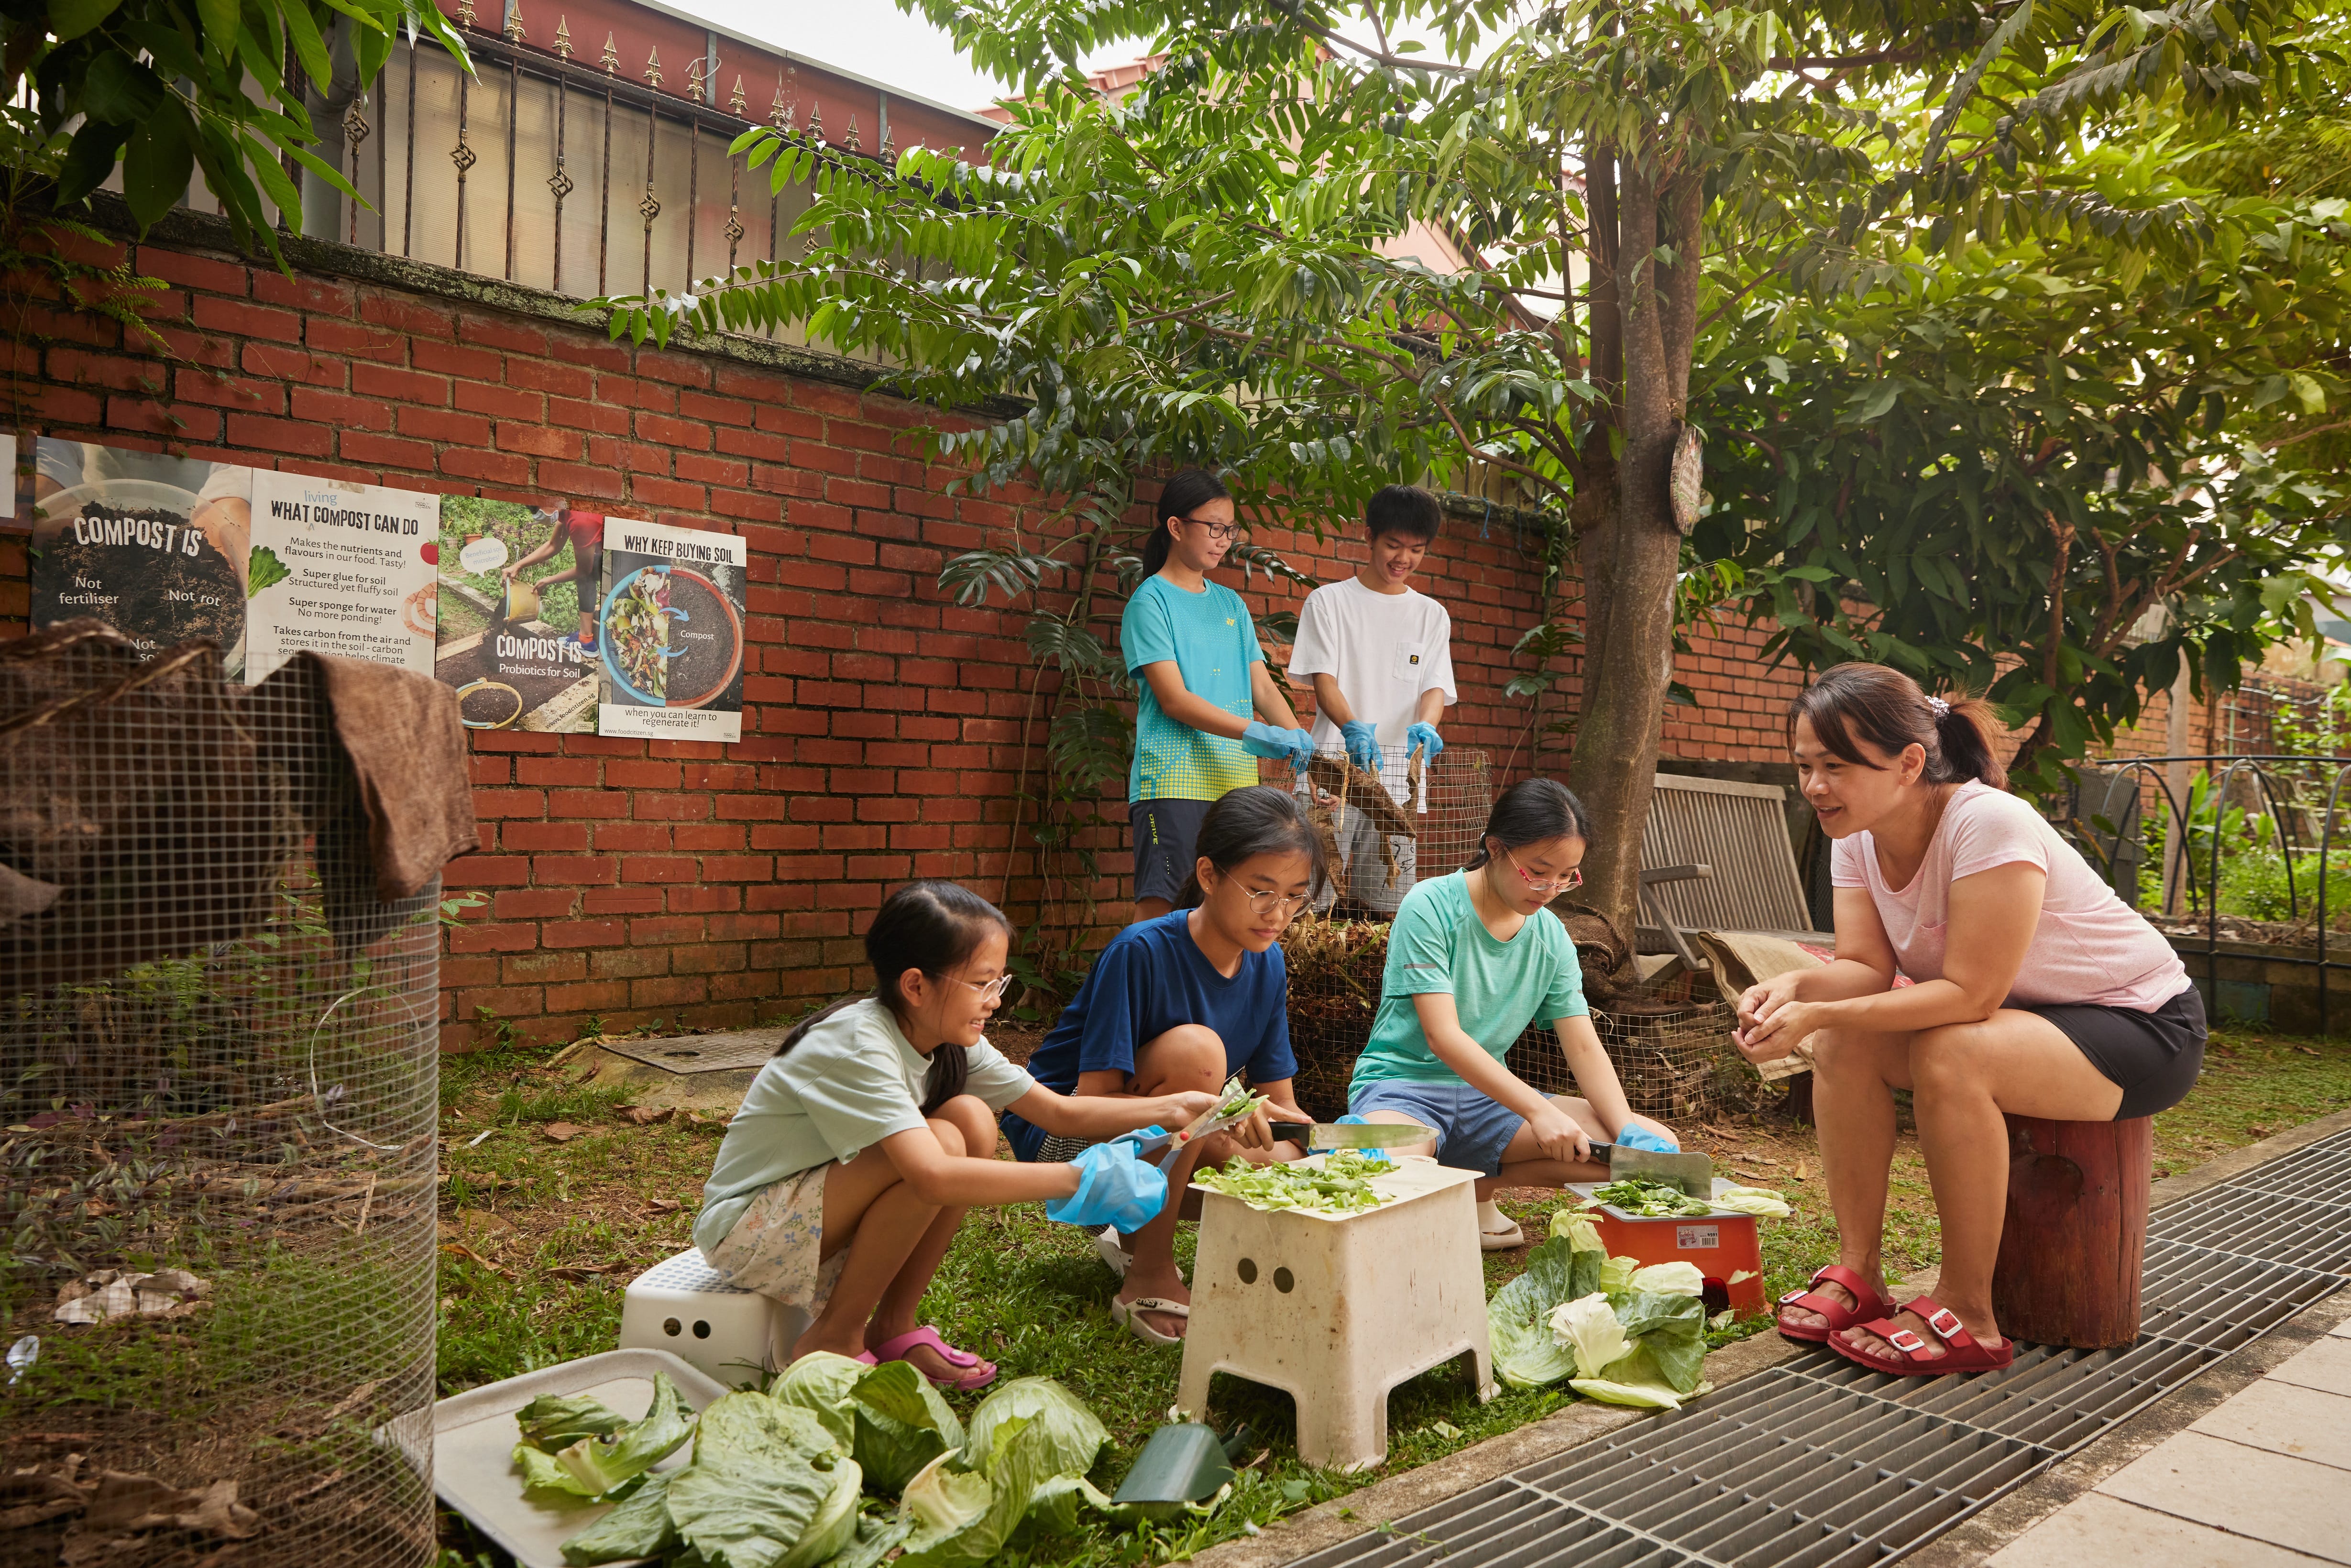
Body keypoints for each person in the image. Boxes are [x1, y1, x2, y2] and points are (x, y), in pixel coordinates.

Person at [1737, 665, 2205, 1377]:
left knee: (1952, 1051)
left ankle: (1969, 1313)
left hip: (2140, 1025)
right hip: (2025, 1022)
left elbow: (1971, 995)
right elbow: (1863, 966)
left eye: (1836, 766)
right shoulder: (1855, 834)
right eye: (1804, 765)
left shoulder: (1987, 821)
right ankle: (1860, 1269)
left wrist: (1820, 1007)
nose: (1815, 786)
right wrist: (1796, 984)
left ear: (1909, 762)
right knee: (1841, 1038)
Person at [694, 881, 1214, 1388]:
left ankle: (893, 1323)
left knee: (970, 1117)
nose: (995, 1002)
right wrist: (1079, 1178)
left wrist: (1177, 1108)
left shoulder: (947, 1037)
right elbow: (933, 1176)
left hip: (813, 1221)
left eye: (999, 984)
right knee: (941, 1143)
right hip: (748, 1234)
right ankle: (834, 1337)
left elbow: (1057, 1112)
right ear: (916, 985)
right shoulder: (858, 1044)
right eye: (982, 983)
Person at [1004, 786, 1321, 1345]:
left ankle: (1132, 1228)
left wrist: (1286, 1137)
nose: (1278, 914)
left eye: (1296, 897)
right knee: (1198, 1055)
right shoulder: (1142, 951)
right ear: (1208, 875)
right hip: (1065, 1133)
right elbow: (1091, 1101)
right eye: (1261, 892)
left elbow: (1281, 1104)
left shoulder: (1268, 964)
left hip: (1180, 1125)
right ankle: (1148, 1272)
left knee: (1285, 1155)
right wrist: (1216, 1115)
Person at [1348, 777, 1681, 1250]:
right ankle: (1422, 1174)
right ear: (1495, 848)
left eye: (1567, 875)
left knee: (1656, 1151)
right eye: (1538, 871)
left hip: (1490, 1101)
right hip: (1405, 1091)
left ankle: (1472, 1187)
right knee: (1384, 1168)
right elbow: (1443, 1036)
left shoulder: (1552, 937)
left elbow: (1583, 1046)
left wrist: (1626, 1128)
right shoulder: (1429, 906)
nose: (1551, 888)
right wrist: (1537, 1110)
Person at [1124, 469, 1314, 922]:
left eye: (1230, 529)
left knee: (1224, 916)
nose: (1224, 540)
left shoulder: (1231, 604)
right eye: (1214, 527)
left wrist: (1298, 741)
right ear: (1176, 526)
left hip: (1237, 789)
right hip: (1172, 783)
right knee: (1163, 913)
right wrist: (1255, 732)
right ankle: (1132, 975)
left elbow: (1262, 687)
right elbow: (1174, 699)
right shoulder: (1150, 603)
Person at [1287, 483, 1457, 915]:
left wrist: (1428, 724)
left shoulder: (1432, 615)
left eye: (1416, 549)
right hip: (1330, 778)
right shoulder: (1328, 602)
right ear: (1369, 536)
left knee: (1385, 913)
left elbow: (1434, 686)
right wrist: (1351, 727)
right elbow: (1325, 681)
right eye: (1393, 545)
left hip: (1396, 788)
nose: (1404, 559)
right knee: (1310, 908)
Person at [500, 504, 604, 651]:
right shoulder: (566, 509)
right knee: (588, 568)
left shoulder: (581, 520)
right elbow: (553, 545)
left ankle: (592, 642)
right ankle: (586, 641)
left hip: (622, 552)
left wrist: (548, 580)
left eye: (536, 509)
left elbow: (583, 571)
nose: (536, 516)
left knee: (588, 571)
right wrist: (517, 566)